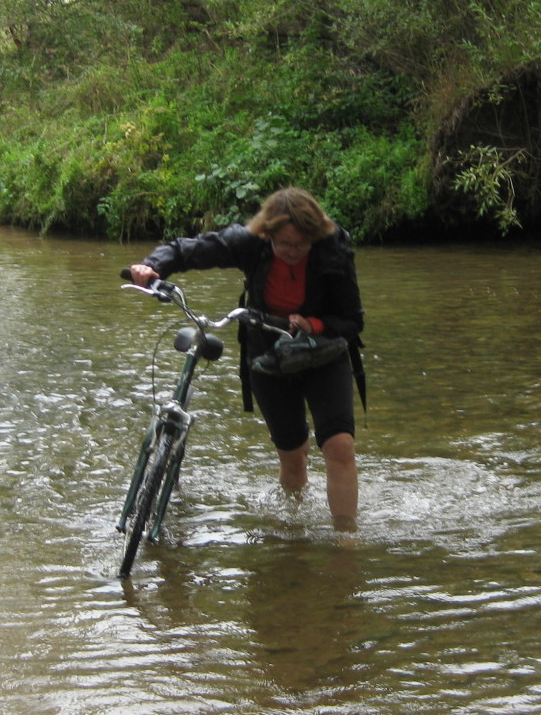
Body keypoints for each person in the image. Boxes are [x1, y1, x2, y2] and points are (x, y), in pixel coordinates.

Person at [127, 187, 366, 531]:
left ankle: (346, 539)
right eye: (284, 244)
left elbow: (353, 320)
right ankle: (293, 532)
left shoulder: (333, 249)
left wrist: (314, 324)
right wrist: (152, 267)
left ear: (315, 236)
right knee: (292, 455)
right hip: (267, 355)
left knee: (339, 446)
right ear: (267, 235)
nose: (292, 251)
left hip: (324, 353)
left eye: (301, 244)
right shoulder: (249, 242)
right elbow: (185, 249)